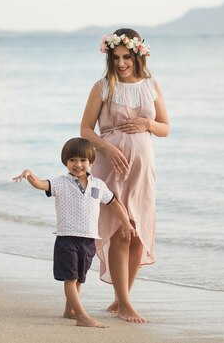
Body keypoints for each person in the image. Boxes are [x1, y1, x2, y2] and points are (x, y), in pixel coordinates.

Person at [81, 29, 169, 323]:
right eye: (116, 57)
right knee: (122, 231)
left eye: (126, 57)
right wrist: (106, 148)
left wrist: (148, 123)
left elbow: (165, 127)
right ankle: (126, 304)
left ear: (137, 55)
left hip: (143, 172)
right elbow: (85, 131)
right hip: (111, 169)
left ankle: (121, 300)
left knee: (138, 236)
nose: (121, 63)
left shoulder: (150, 85)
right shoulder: (103, 87)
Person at [13, 137, 136, 328]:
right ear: (65, 162)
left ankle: (69, 310)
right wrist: (30, 175)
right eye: (72, 160)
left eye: (82, 160)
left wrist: (126, 223)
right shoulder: (61, 183)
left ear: (91, 161)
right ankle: (82, 316)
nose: (78, 164)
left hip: (88, 240)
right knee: (70, 279)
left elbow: (113, 203)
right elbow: (40, 184)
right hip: (67, 238)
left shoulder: (98, 185)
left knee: (79, 278)